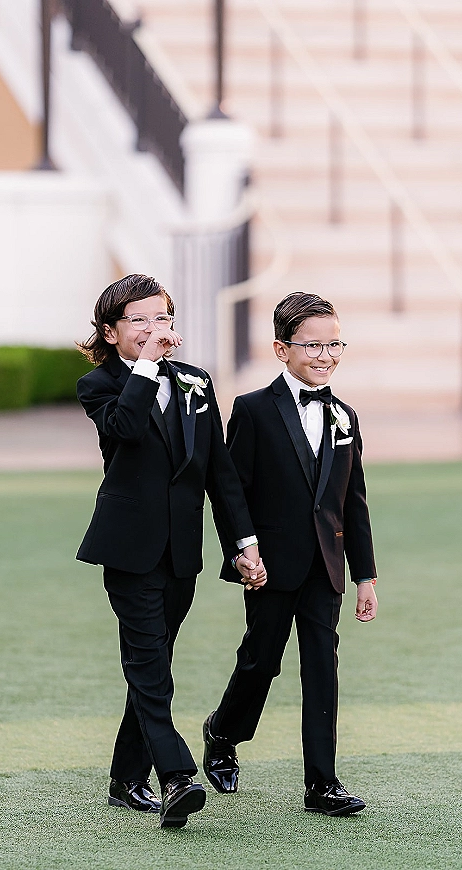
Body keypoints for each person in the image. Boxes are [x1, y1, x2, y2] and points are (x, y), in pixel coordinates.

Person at [76, 274, 266, 829]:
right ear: (112, 333)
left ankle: (123, 777)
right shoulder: (102, 385)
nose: (156, 329)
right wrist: (145, 368)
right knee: (151, 667)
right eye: (140, 320)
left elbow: (219, 474)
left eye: (163, 318)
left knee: (152, 664)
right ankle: (177, 776)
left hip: (183, 553)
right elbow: (127, 430)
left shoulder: (196, 383)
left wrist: (243, 544)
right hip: (129, 550)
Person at [203, 292, 378, 816]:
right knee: (261, 662)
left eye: (334, 344)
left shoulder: (345, 415)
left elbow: (354, 500)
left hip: (327, 566)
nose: (325, 356)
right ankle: (222, 732)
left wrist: (365, 574)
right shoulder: (253, 410)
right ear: (282, 349)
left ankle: (322, 784)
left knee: (323, 668)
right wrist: (242, 551)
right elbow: (233, 491)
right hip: (270, 566)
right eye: (313, 346)